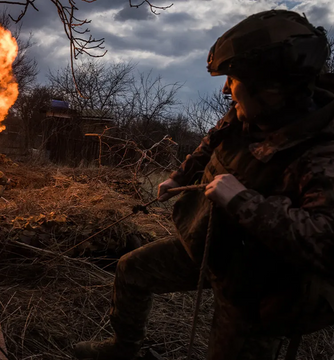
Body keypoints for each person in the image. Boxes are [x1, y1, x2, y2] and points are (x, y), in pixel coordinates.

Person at [74, 9, 334, 360]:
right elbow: (212, 142)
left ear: (271, 88)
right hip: (211, 246)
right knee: (131, 269)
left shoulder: (322, 150)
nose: (227, 89)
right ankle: (123, 349)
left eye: (234, 79)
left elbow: (325, 242)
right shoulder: (251, 112)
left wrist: (243, 201)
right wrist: (179, 176)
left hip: (259, 288)